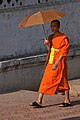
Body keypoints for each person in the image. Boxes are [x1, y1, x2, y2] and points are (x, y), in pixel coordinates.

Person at [30, 19, 71, 108]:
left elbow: (63, 52)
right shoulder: (51, 37)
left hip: (59, 62)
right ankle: (39, 100)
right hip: (51, 61)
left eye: (55, 26)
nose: (53, 28)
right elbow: (50, 50)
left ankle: (67, 100)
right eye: (51, 26)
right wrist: (47, 44)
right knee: (45, 80)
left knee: (63, 80)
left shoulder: (63, 38)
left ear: (59, 27)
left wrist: (56, 63)